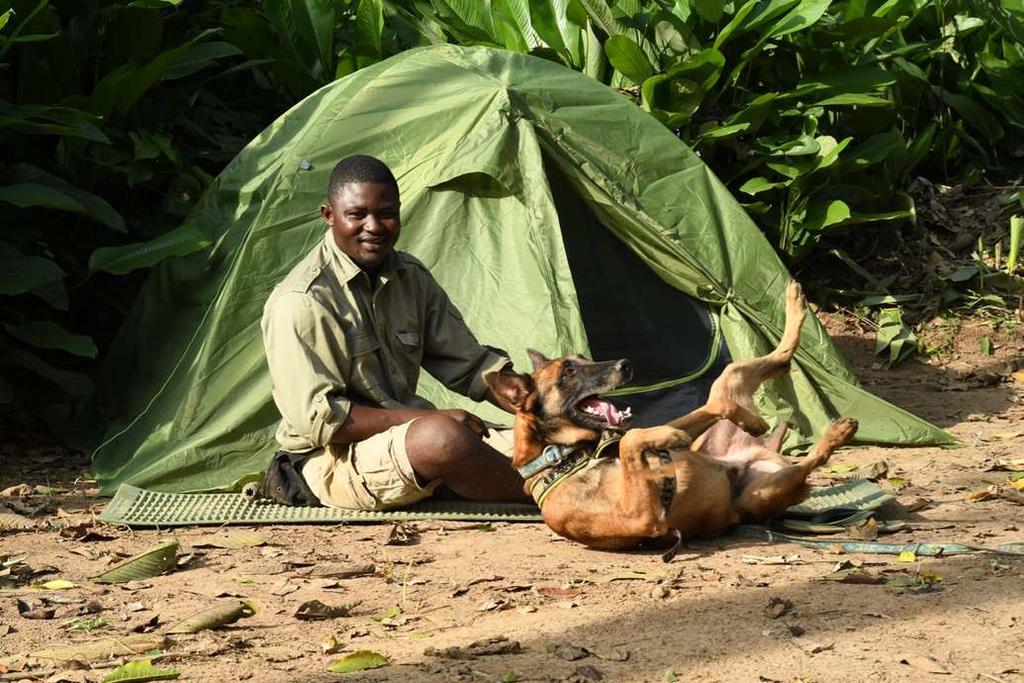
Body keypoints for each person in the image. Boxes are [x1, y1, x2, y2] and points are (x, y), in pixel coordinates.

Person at [260, 154, 529, 509]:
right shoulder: (302, 300)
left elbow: (472, 366)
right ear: (329, 216)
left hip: (405, 438)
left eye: (386, 213)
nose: (374, 226)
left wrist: (541, 405)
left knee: (558, 444)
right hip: (329, 461)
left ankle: (530, 476)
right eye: (357, 215)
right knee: (442, 439)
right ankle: (546, 493)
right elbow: (326, 423)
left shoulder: (410, 276)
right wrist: (428, 418)